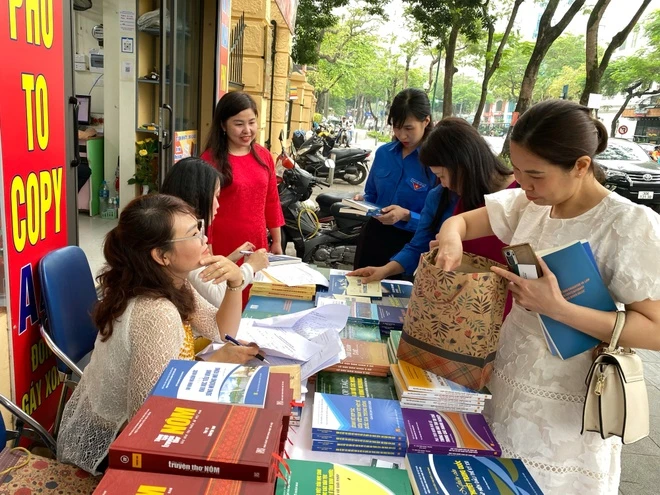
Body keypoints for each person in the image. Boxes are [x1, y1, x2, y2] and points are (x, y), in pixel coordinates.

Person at [433, 99, 660, 493]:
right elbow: (461, 221)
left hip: (569, 408)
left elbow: (656, 330)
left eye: (535, 174)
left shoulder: (628, 224)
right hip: (508, 382)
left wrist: (557, 308)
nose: (524, 183)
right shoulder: (529, 204)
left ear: (581, 166)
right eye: (518, 170)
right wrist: (451, 239)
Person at [57, 194, 262, 475]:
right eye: (193, 234)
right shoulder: (155, 312)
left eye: (199, 228)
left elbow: (221, 332)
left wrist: (235, 282)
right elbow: (148, 414)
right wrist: (215, 364)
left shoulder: (169, 280)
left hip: (130, 431)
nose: (204, 239)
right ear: (161, 255)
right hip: (114, 449)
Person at [349, 117, 515, 283]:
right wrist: (384, 271)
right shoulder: (441, 196)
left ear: (463, 163)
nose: (443, 184)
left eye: (442, 176)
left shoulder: (519, 195)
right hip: (455, 293)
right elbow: (418, 245)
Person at [161, 157, 269, 307]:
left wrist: (230, 259)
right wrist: (250, 267)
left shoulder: (175, 227)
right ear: (197, 196)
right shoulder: (184, 240)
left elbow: (204, 276)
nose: (218, 205)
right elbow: (217, 296)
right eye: (216, 196)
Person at [352, 88, 434, 271]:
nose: (402, 135)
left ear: (426, 121)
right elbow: (371, 194)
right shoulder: (383, 153)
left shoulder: (436, 163)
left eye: (408, 128)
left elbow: (439, 220)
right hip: (373, 238)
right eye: (396, 127)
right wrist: (362, 201)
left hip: (411, 244)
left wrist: (407, 216)